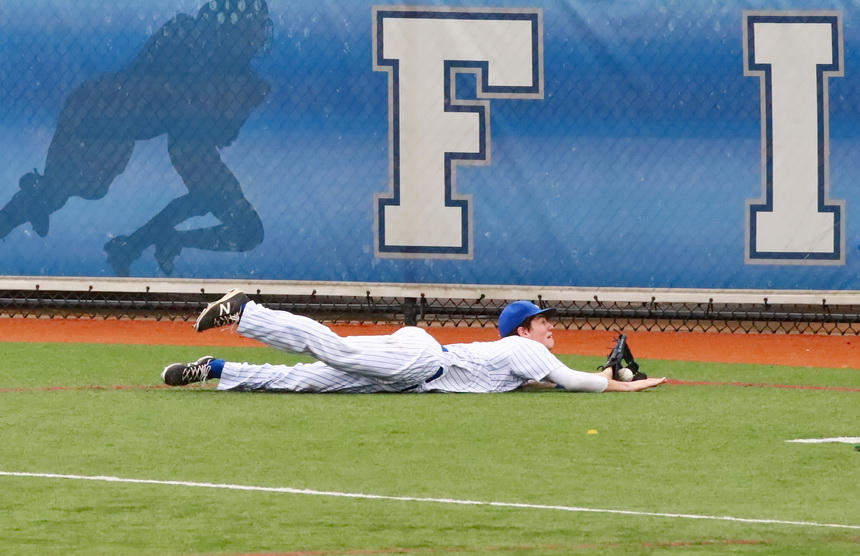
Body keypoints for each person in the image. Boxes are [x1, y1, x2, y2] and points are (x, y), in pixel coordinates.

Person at [0, 0, 272, 276]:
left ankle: (136, 241)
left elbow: (212, 150)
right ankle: (35, 200)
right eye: (253, 28)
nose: (260, 37)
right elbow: (150, 89)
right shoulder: (184, 38)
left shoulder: (237, 84)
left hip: (116, 120)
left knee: (239, 222)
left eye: (261, 28)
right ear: (229, 31)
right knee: (74, 189)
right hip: (100, 116)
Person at [161, 289, 667, 393]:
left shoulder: (522, 359)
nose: (549, 326)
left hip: (410, 377)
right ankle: (248, 312)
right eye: (541, 320)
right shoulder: (528, 350)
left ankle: (218, 368)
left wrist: (609, 369)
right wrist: (625, 385)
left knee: (304, 381)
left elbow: (552, 384)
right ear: (522, 330)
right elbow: (573, 382)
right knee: (334, 348)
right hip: (417, 359)